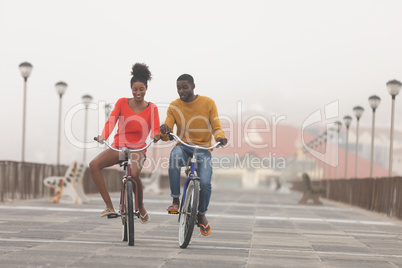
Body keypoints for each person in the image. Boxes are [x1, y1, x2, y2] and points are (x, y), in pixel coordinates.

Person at [90, 63, 160, 223]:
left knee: (134, 175)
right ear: (131, 89)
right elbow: (111, 122)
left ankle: (140, 206)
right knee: (94, 165)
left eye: (141, 89)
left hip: (139, 149)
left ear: (146, 88)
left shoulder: (152, 108)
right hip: (119, 147)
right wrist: (103, 136)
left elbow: (155, 129)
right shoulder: (121, 103)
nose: (138, 93)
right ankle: (109, 206)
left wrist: (156, 136)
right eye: (135, 89)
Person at [160, 74, 227, 236]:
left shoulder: (208, 103)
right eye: (178, 88)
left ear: (193, 86)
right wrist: (164, 130)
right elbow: (168, 127)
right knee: (174, 159)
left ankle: (201, 214)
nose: (181, 91)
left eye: (185, 87)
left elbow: (216, 126)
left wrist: (220, 137)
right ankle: (175, 200)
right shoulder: (174, 106)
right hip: (183, 146)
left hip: (203, 149)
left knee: (205, 183)